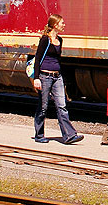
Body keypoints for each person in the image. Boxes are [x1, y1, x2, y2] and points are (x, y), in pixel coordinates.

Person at [32, 13, 84, 145]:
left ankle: (69, 136)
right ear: (55, 25)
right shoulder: (45, 39)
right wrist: (36, 78)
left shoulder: (60, 40)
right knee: (43, 107)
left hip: (57, 77)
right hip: (44, 76)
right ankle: (39, 135)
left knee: (62, 106)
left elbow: (58, 59)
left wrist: (61, 75)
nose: (64, 25)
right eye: (62, 23)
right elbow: (38, 58)